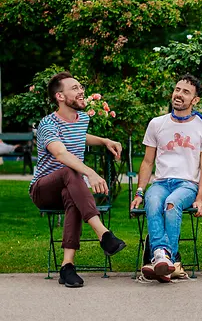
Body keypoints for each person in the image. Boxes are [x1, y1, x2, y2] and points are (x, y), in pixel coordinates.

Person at [29, 71, 126, 288]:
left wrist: (104, 140)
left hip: (69, 188)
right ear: (60, 97)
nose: (81, 91)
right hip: (43, 190)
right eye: (74, 88)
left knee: (73, 192)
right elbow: (61, 154)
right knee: (70, 171)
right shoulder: (47, 124)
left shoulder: (82, 118)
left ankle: (67, 267)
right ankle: (104, 234)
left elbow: (80, 135)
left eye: (80, 86)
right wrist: (90, 172)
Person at [130, 74, 202, 283]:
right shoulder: (156, 124)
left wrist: (200, 198)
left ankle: (163, 257)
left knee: (171, 204)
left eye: (186, 92)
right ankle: (165, 259)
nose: (179, 94)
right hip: (160, 182)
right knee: (153, 201)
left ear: (195, 100)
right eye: (177, 89)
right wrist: (140, 193)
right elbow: (147, 163)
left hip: (187, 185)